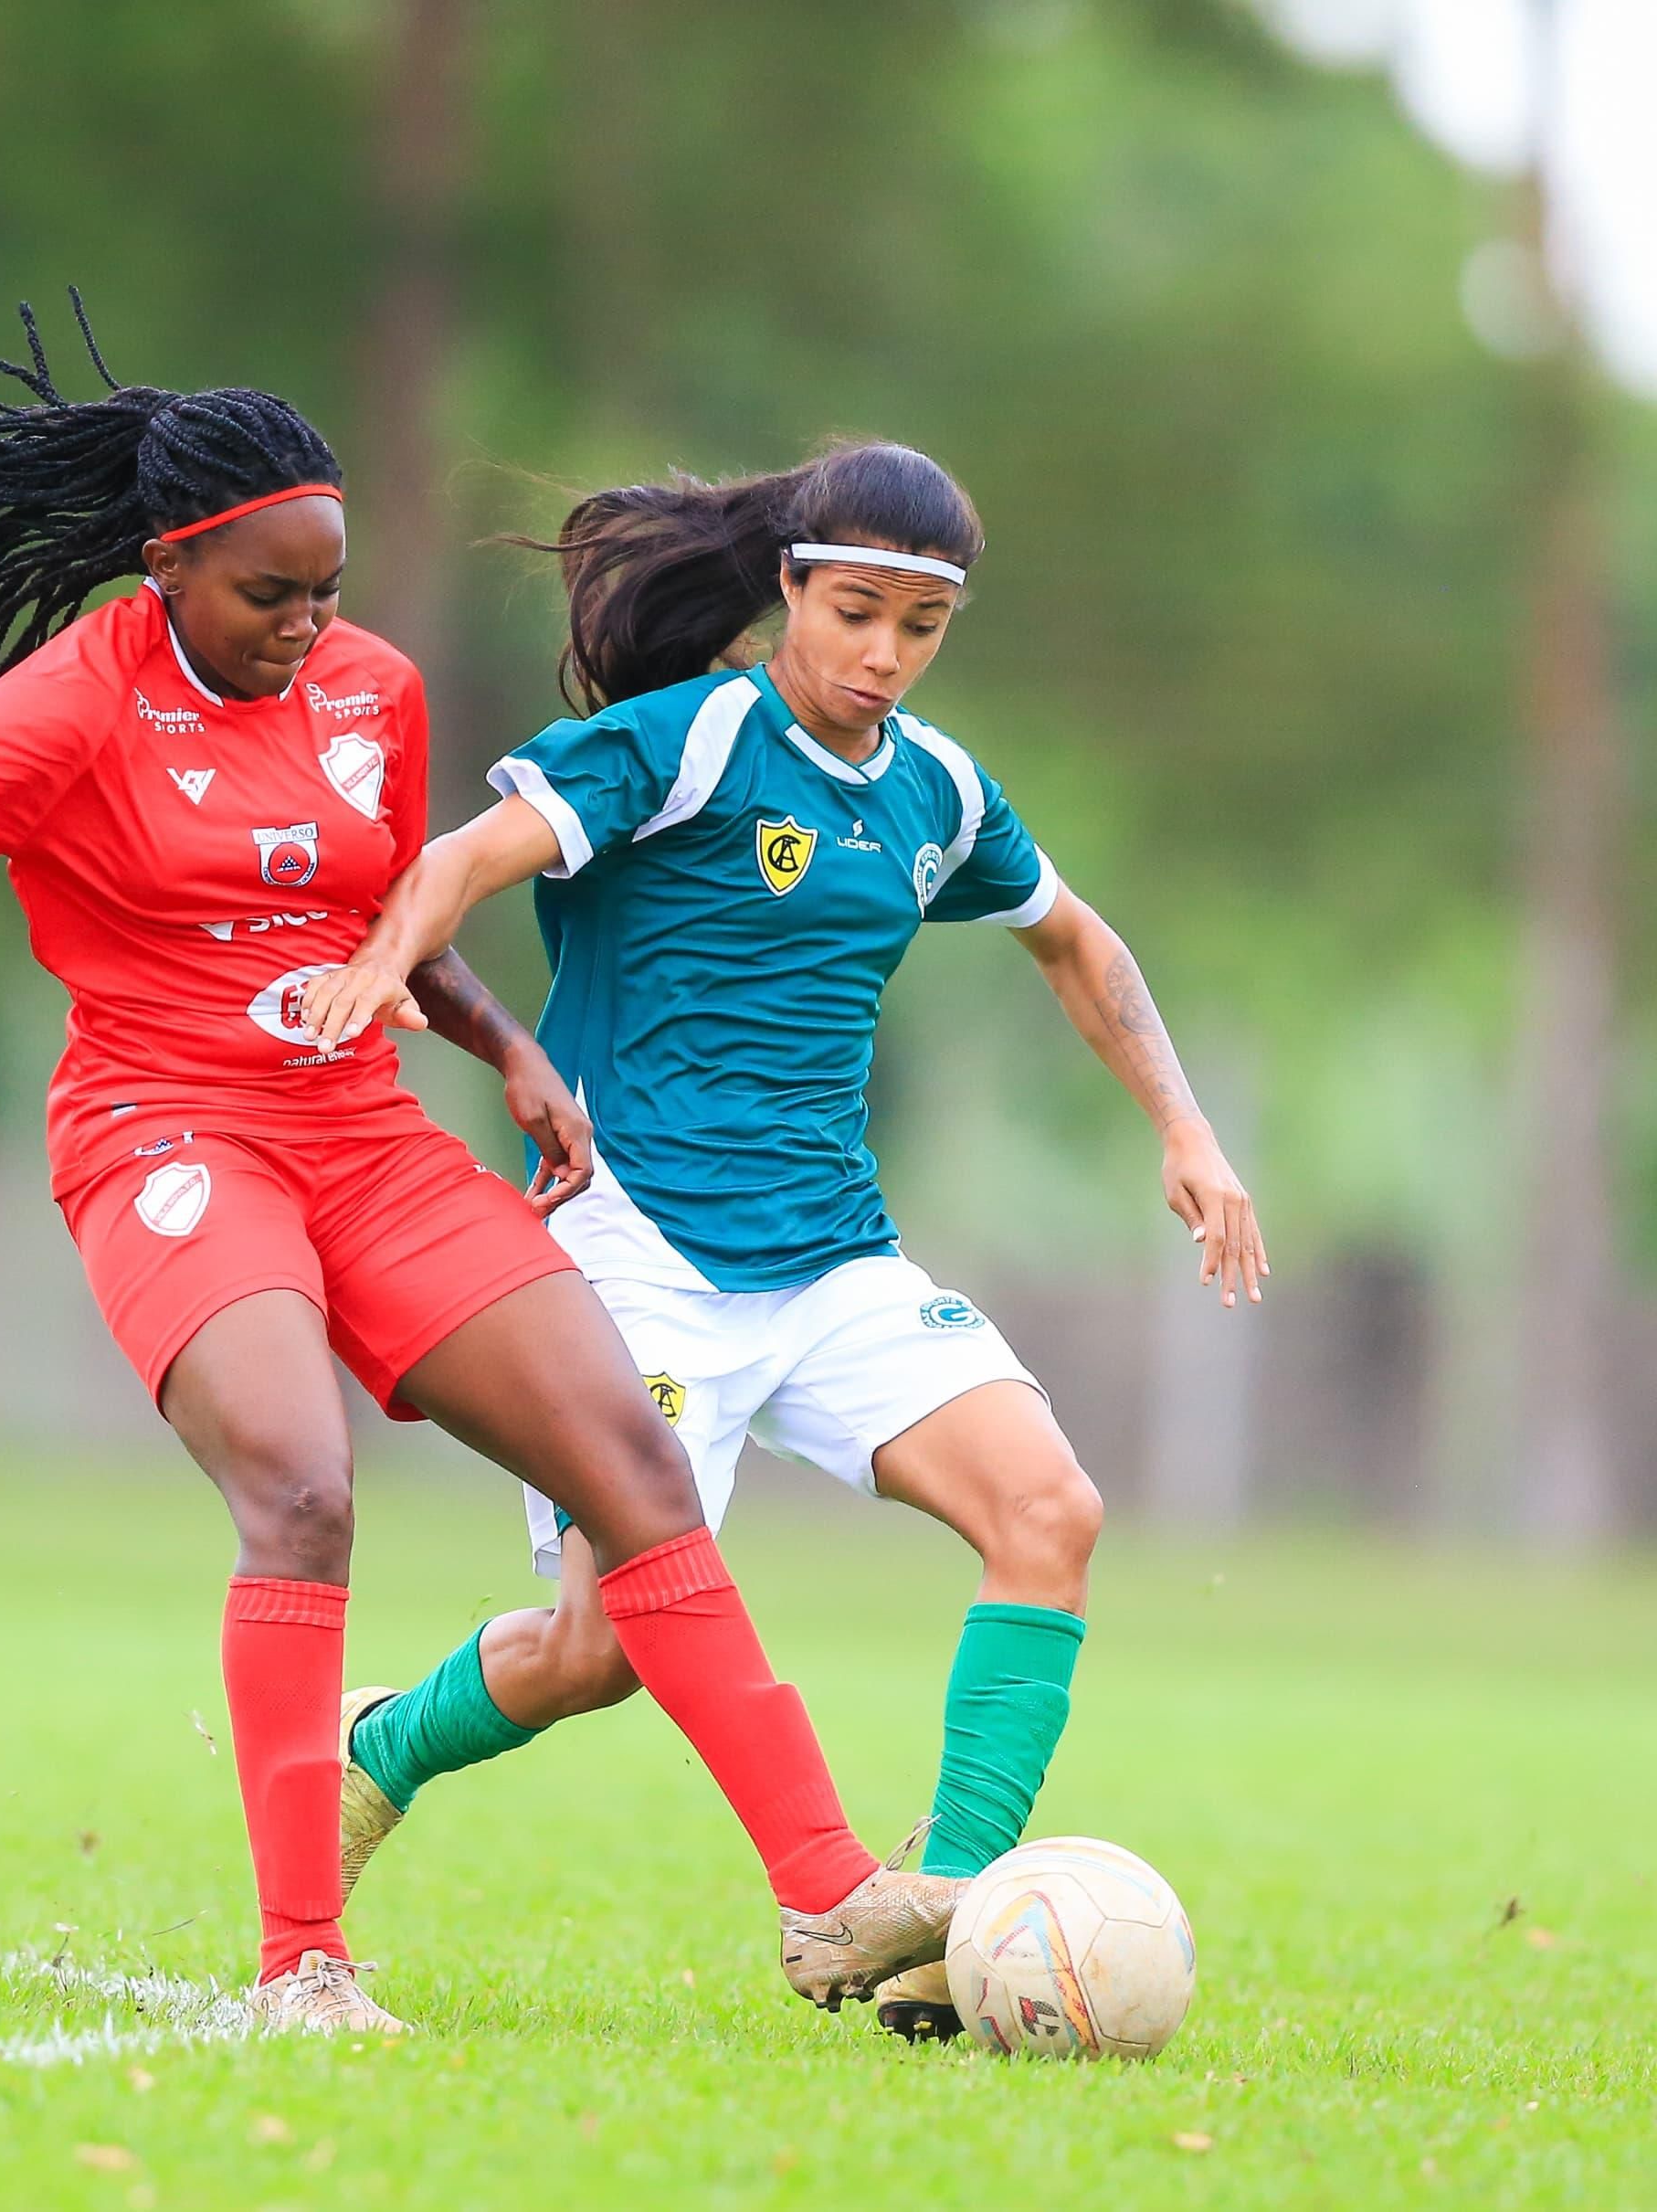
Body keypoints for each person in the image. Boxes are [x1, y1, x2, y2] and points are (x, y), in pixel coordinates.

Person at [0, 301, 957, 2035]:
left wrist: (504, 1046)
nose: (310, 624)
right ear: (170, 568)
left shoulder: (375, 692)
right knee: (301, 1484)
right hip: (164, 1134)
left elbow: (389, 922)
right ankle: (303, 1965)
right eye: (269, 593)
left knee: (631, 1459)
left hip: (359, 1127)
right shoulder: (76, 696)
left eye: (328, 586)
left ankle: (829, 1894)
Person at [294, 439, 1270, 2040]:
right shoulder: (680, 744)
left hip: (832, 1259)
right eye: (858, 614)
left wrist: (1187, 1123)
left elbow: (1078, 942)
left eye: (921, 629)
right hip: (633, 1260)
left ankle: (939, 1921)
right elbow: (469, 855)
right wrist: (390, 957)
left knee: (1051, 1509)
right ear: (789, 591)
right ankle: (381, 1748)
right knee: (597, 1652)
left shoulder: (940, 792)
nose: (885, 657)